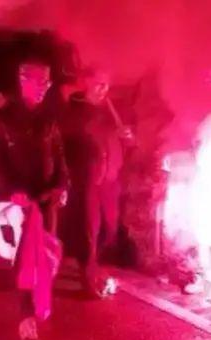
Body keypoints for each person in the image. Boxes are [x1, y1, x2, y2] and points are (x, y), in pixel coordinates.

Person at [0, 59, 69, 340]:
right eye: (38, 81)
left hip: (47, 203)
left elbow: (60, 160)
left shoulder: (49, 121)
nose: (43, 87)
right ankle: (26, 319)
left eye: (47, 82)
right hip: (20, 205)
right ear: (22, 80)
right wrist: (11, 190)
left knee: (48, 260)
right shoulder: (1, 121)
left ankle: (38, 308)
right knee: (27, 263)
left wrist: (62, 186)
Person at [59, 68, 131, 297]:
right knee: (90, 229)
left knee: (109, 228)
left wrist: (126, 138)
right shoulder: (74, 110)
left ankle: (88, 262)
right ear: (87, 82)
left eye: (107, 85)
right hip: (87, 179)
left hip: (110, 179)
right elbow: (72, 139)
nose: (103, 89)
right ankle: (89, 277)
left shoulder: (109, 110)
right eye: (99, 83)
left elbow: (120, 142)